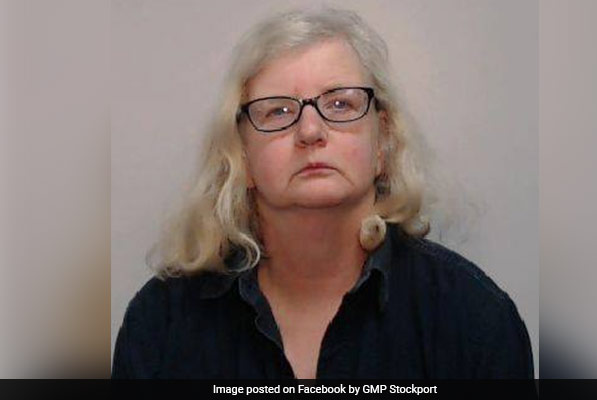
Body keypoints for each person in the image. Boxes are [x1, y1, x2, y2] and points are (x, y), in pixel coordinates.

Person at [111, 7, 534, 379]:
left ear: (382, 144)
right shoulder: (161, 324)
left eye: (340, 104)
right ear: (242, 156)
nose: (310, 131)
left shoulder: (474, 318)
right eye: (278, 110)